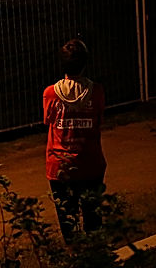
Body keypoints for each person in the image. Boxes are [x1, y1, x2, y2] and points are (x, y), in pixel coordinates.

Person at [42, 38, 106, 244]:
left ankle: (74, 257)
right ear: (86, 63)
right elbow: (99, 120)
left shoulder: (50, 93)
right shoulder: (96, 91)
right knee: (94, 221)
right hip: (91, 163)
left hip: (60, 165)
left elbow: (48, 121)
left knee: (68, 222)